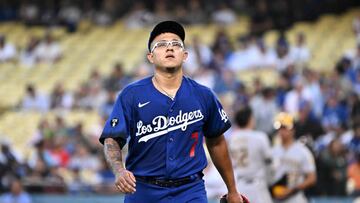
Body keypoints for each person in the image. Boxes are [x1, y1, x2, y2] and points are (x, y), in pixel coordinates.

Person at [99, 21, 245, 203]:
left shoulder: (204, 95)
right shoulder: (132, 94)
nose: (170, 48)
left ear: (184, 55)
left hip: (190, 190)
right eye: (161, 45)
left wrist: (232, 190)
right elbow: (112, 138)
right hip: (143, 190)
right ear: (150, 57)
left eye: (176, 44)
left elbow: (217, 142)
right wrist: (119, 170)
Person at [228, 106, 273, 203]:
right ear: (250, 119)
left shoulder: (232, 138)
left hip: (240, 186)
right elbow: (269, 161)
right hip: (257, 186)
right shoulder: (260, 137)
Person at [271, 112, 316, 203]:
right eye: (280, 128)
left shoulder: (302, 151)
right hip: (276, 197)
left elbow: (312, 178)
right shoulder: (272, 151)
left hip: (296, 197)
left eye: (285, 128)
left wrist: (293, 189)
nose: (282, 131)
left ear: (293, 129)